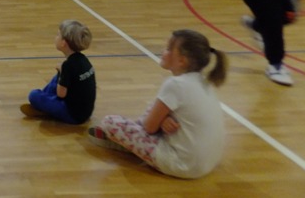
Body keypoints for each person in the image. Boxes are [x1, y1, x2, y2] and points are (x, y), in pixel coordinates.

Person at [88, 29, 227, 179]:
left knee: (110, 122)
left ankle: (127, 147)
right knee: (157, 106)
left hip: (181, 164)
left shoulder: (175, 84)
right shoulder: (204, 81)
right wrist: (163, 121)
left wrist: (159, 122)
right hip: (208, 162)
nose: (163, 51)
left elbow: (149, 127)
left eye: (168, 49)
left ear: (182, 61)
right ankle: (136, 142)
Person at [20, 19, 96, 124]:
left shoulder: (68, 65)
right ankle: (47, 102)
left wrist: (61, 73)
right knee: (59, 76)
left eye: (58, 35)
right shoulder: (83, 59)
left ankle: (44, 106)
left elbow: (61, 94)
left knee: (33, 95)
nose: (55, 37)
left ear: (64, 43)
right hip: (86, 112)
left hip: (73, 115)